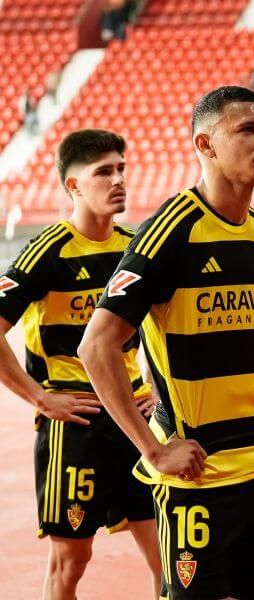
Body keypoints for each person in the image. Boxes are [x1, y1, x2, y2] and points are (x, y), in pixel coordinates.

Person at [78, 86, 254, 599]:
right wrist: (152, 449)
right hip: (198, 472)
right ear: (205, 146)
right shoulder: (169, 233)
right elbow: (96, 347)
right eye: (246, 130)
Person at [0, 129, 161, 599]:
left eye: (121, 169)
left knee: (167, 557)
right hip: (77, 427)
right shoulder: (46, 254)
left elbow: (163, 328)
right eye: (103, 172)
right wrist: (39, 396)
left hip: (136, 419)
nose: (118, 181)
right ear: (73, 186)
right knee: (71, 563)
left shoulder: (137, 248)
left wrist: (153, 381)